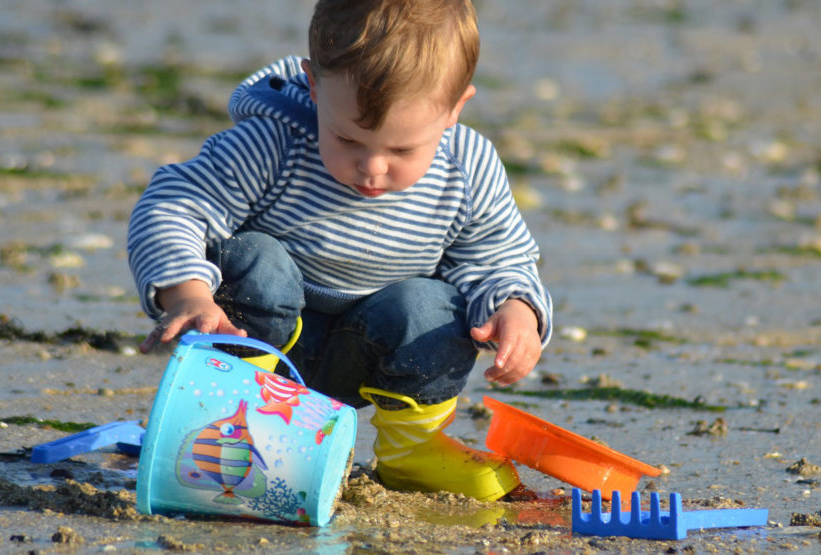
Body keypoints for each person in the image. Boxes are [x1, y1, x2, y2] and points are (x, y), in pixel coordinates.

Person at [126, 0, 552, 503]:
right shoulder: (274, 143)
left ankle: (409, 452)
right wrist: (187, 293)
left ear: (456, 107)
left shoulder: (468, 169)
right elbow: (175, 204)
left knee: (434, 307)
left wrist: (516, 310)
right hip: (260, 344)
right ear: (313, 86)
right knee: (256, 259)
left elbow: (498, 258)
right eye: (348, 138)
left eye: (401, 150)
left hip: (371, 354)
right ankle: (231, 422)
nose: (372, 168)